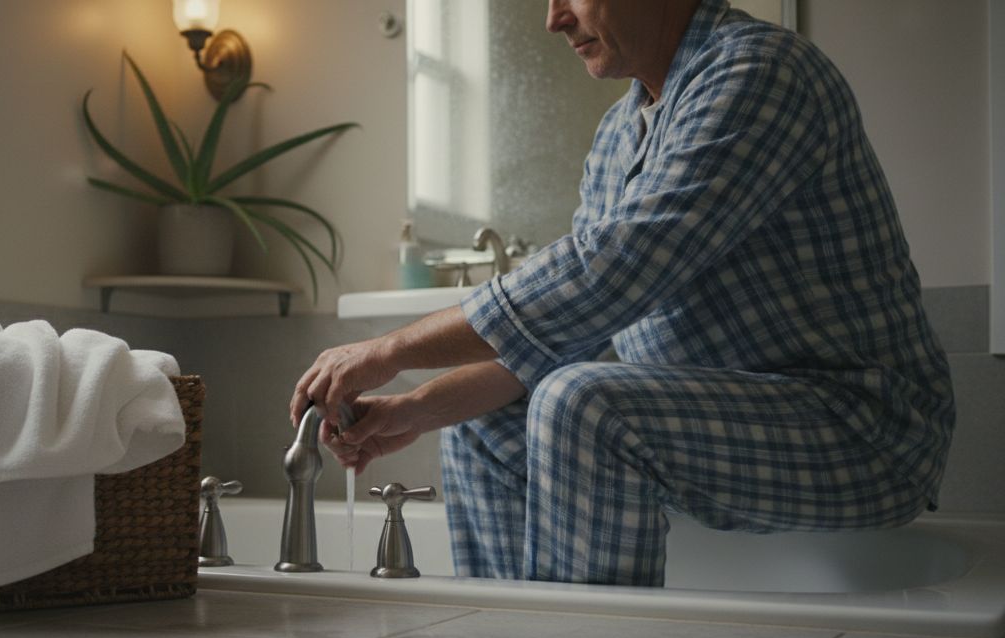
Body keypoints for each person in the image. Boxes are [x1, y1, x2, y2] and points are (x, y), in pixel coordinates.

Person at [289, 0, 955, 586]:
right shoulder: (618, 135)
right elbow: (569, 330)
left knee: (585, 405)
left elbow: (609, 274)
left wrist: (390, 349)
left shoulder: (761, 73)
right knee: (480, 425)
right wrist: (417, 408)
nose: (553, 18)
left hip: (863, 434)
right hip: (725, 428)